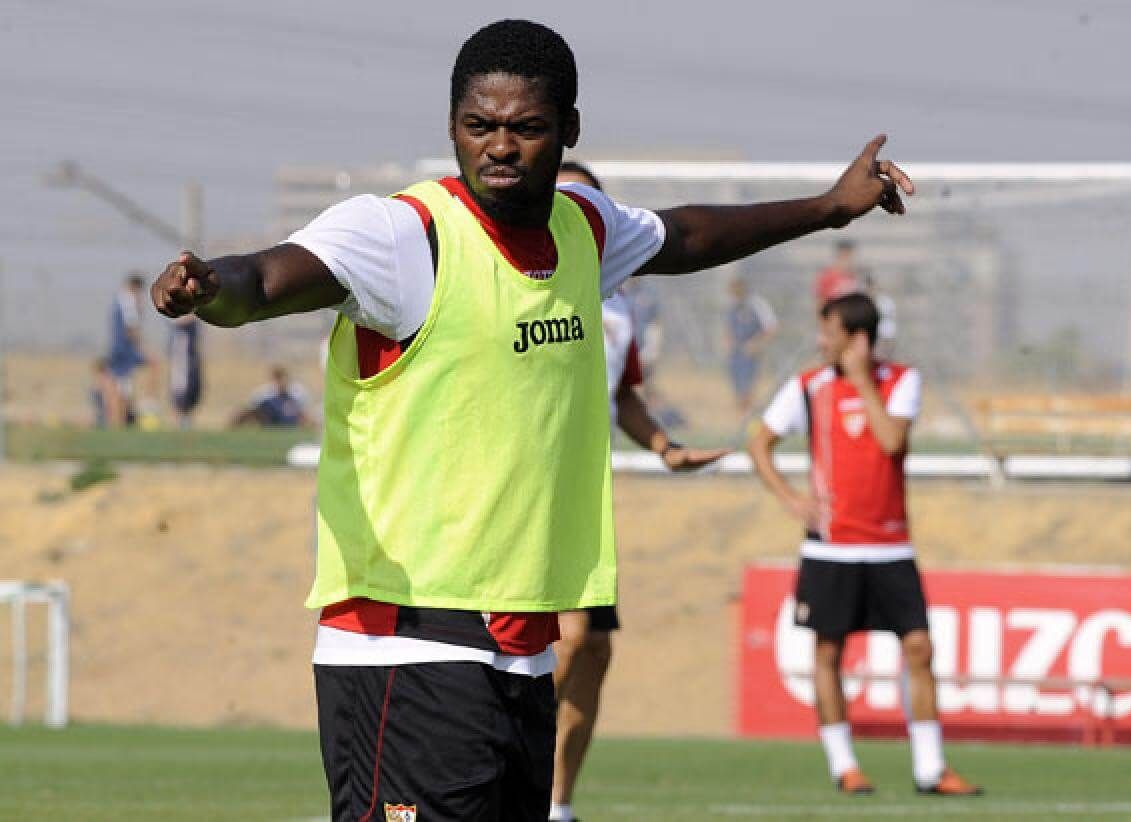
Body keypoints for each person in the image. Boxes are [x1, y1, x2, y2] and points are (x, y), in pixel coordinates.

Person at [149, 19, 913, 821]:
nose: (500, 147)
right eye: (479, 126)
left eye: (526, 127)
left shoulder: (582, 227)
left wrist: (830, 208)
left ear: (569, 130)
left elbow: (685, 234)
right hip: (406, 649)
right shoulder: (404, 236)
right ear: (452, 128)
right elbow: (271, 278)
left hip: (521, 659)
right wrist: (214, 290)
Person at [550, 161, 728, 822]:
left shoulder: (616, 311)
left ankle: (557, 805)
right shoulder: (510, 288)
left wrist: (664, 446)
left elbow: (621, 395)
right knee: (566, 643)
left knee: (594, 650)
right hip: (516, 501)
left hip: (582, 504)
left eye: (582, 199)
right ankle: (498, 767)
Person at [748, 293, 980, 798]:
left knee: (918, 646)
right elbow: (759, 442)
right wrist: (791, 499)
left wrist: (859, 381)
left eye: (828, 331)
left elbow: (891, 441)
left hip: (890, 546)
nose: (819, 341)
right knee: (828, 652)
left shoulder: (901, 381)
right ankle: (844, 765)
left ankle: (931, 768)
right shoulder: (807, 386)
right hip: (830, 549)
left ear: (857, 338)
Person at [107, 273, 159, 425]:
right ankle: (144, 405)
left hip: (120, 350)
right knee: (123, 387)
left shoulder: (119, 300)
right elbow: (132, 328)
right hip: (125, 351)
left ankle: (119, 420)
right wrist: (143, 348)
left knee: (122, 386)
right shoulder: (128, 301)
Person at [726, 276, 778, 417]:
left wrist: (756, 344)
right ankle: (741, 417)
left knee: (747, 387)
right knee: (737, 386)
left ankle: (747, 418)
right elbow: (730, 327)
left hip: (750, 353)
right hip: (735, 353)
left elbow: (771, 327)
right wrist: (728, 341)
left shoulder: (757, 304)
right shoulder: (733, 305)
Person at [231, 365, 311, 427]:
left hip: (290, 420)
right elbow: (251, 406)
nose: (281, 382)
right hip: (270, 419)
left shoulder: (296, 391)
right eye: (278, 378)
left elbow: (304, 410)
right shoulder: (266, 391)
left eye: (282, 378)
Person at [167, 314, 203, 428]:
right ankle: (178, 422)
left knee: (193, 385)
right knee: (181, 386)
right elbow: (177, 319)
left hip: (191, 348)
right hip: (182, 347)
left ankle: (186, 422)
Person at [815, 238, 861, 309]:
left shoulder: (856, 276)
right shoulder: (828, 276)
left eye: (849, 256)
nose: (847, 260)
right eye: (844, 256)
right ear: (838, 256)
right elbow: (820, 302)